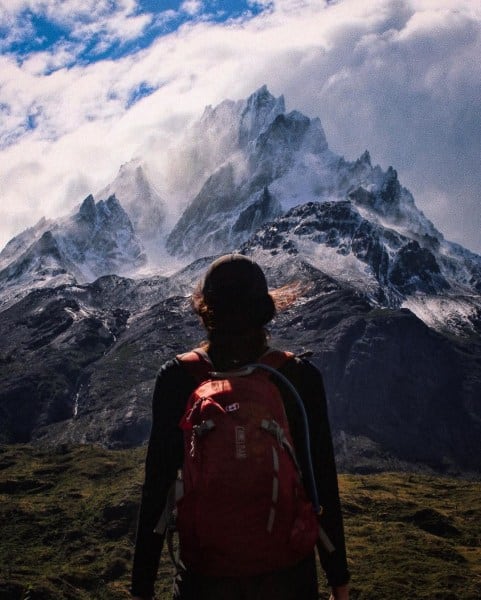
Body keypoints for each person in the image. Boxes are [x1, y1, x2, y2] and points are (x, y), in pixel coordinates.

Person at [131, 253, 350, 600]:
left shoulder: (178, 378)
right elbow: (320, 481)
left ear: (204, 310)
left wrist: (141, 586)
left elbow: (157, 488)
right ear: (266, 310)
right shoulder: (297, 377)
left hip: (205, 580)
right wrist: (338, 576)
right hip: (288, 577)